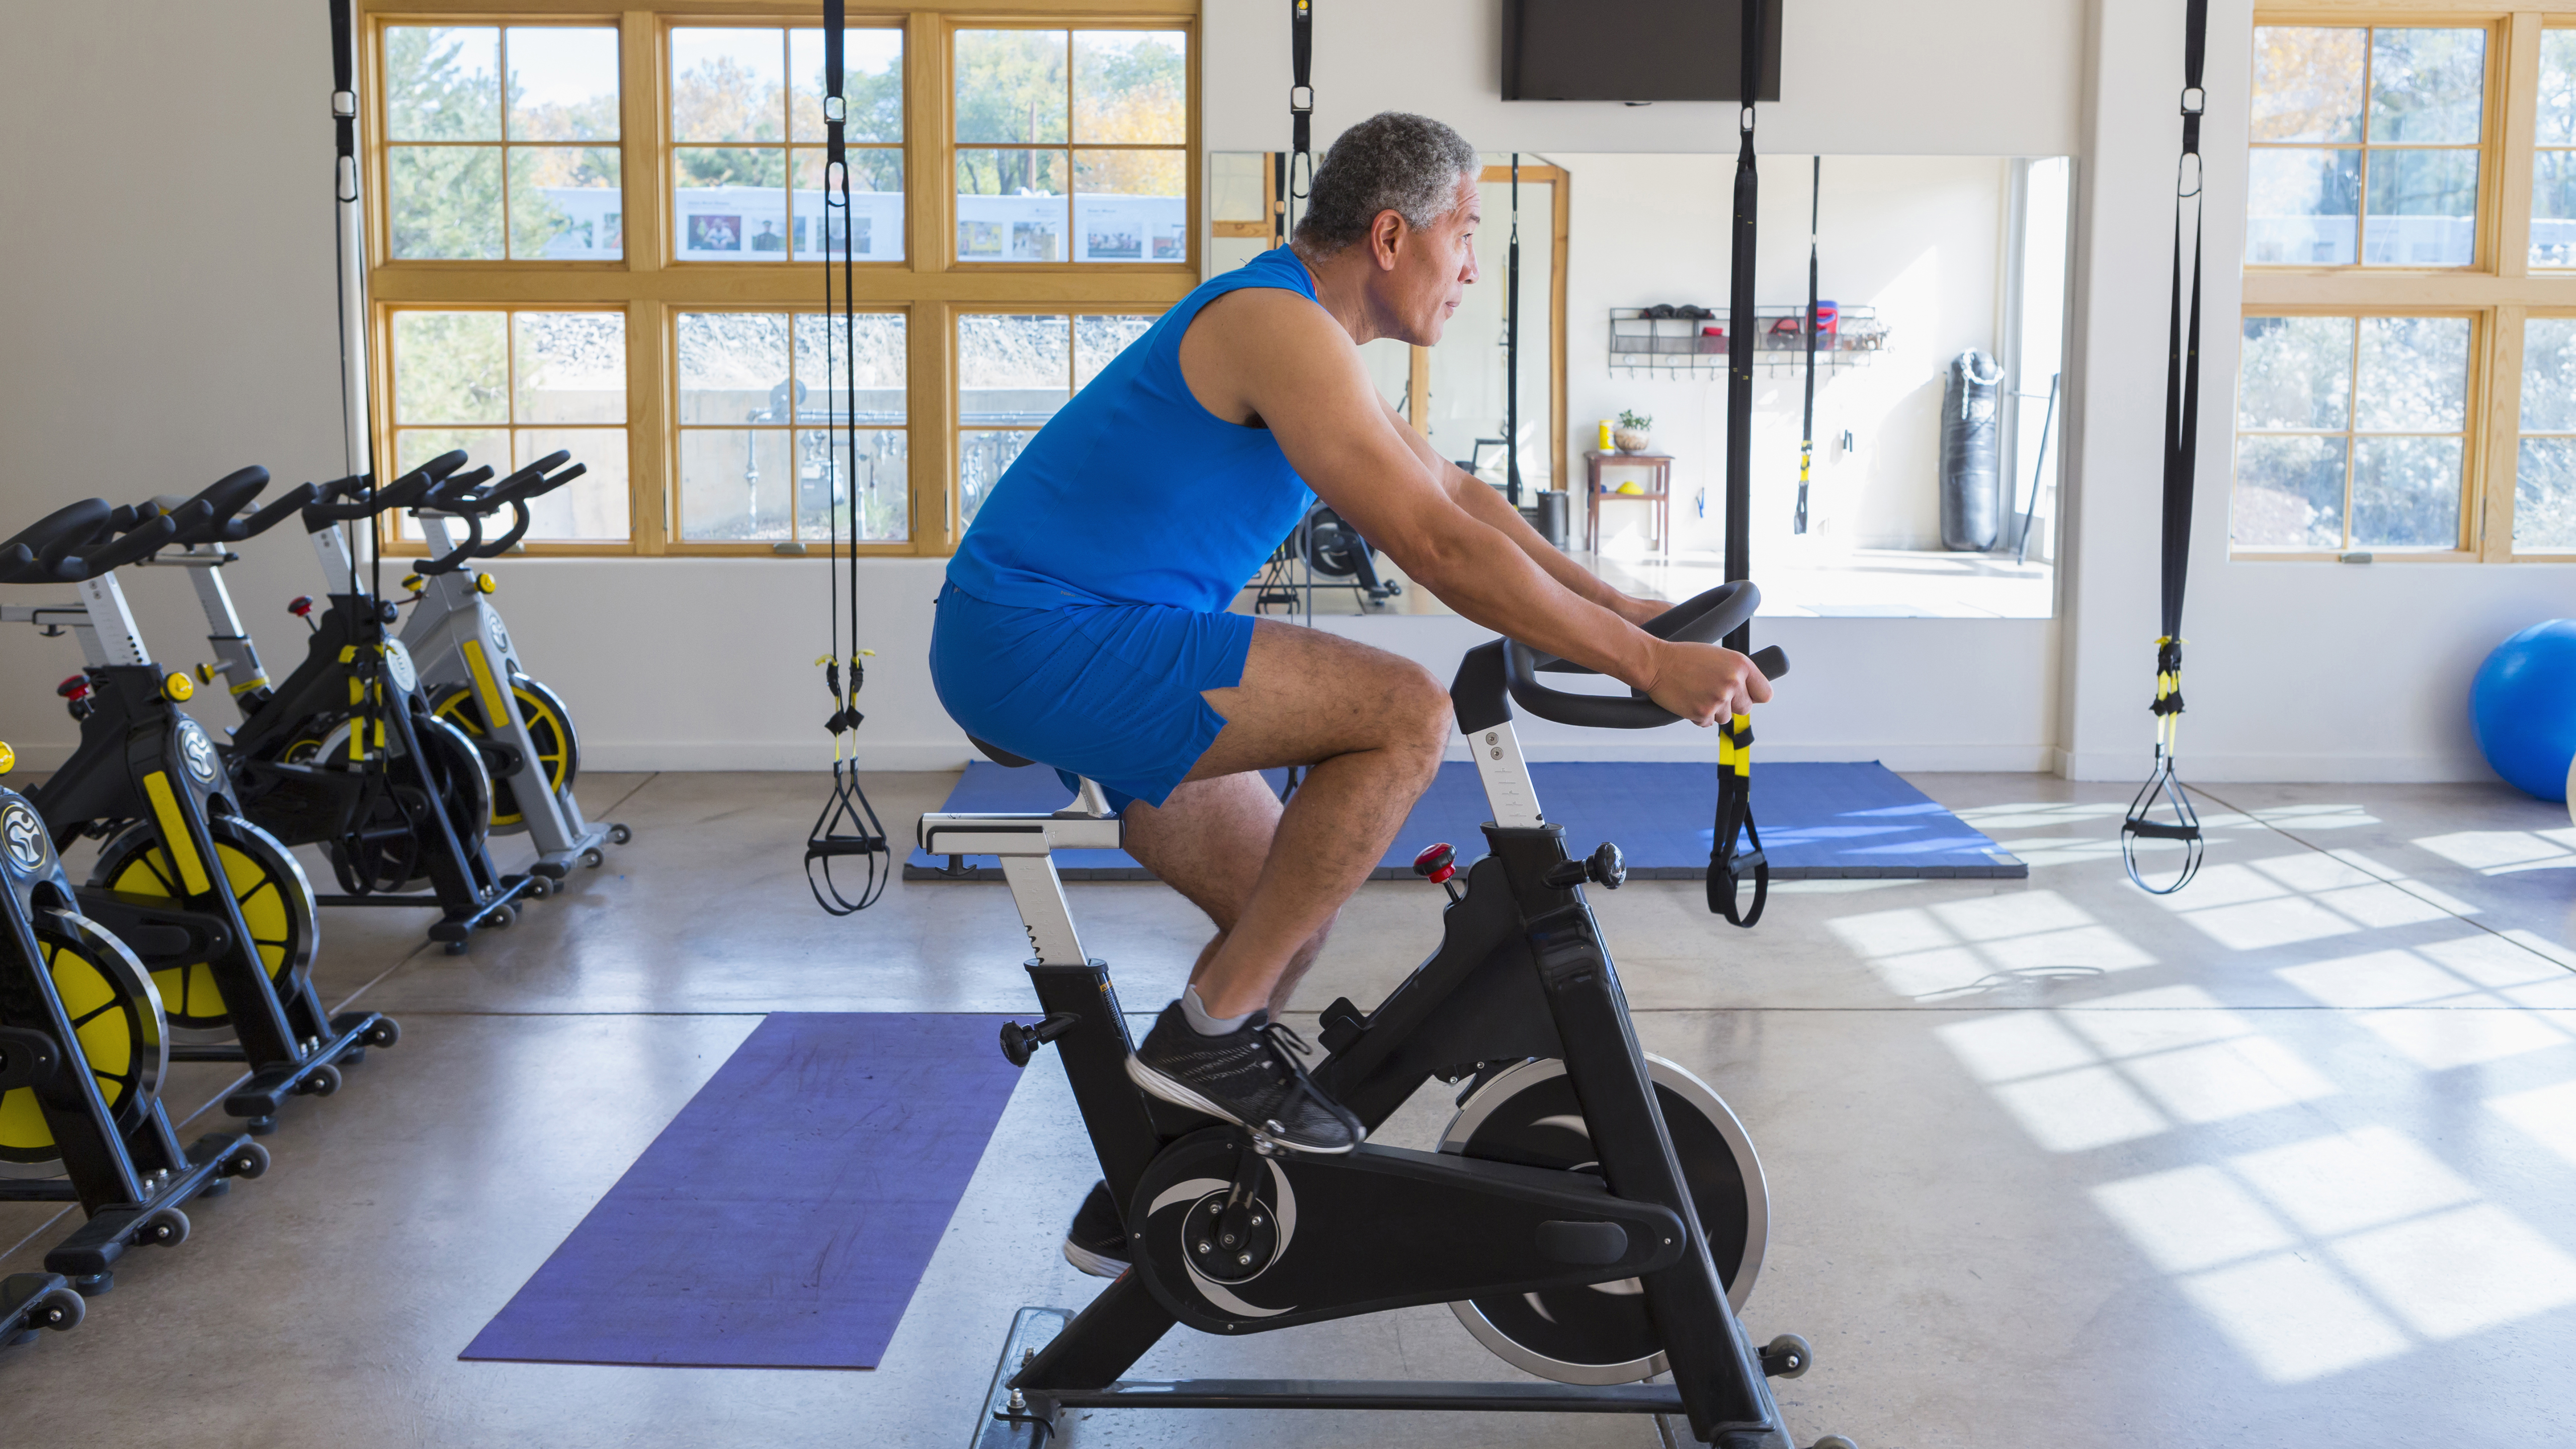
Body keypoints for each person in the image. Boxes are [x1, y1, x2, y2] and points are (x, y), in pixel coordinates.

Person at [928, 112, 1773, 1275]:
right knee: (1404, 712)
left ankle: (1155, 1184)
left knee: (1290, 912)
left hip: (1106, 633)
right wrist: (1646, 671)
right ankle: (1204, 1043)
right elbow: (1430, 544)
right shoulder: (1275, 324)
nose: (1472, 266)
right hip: (1038, 634)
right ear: (1391, 235)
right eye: (1463, 234)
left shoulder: (1311, 336)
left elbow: (1460, 498)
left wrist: (1631, 619)